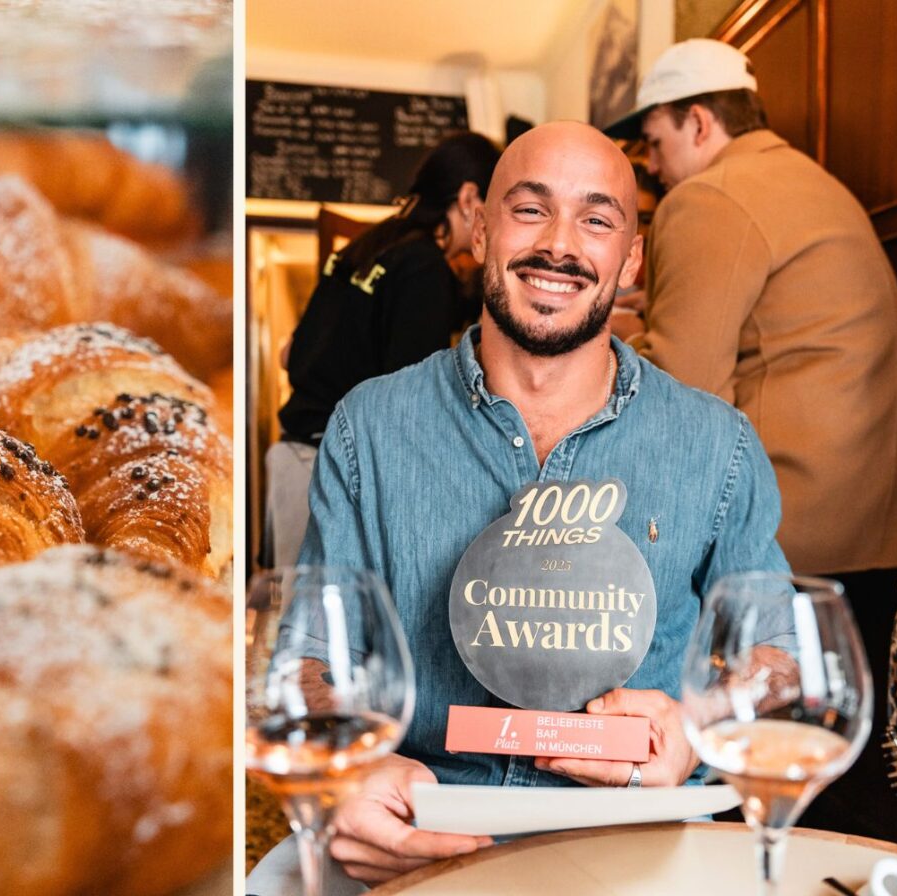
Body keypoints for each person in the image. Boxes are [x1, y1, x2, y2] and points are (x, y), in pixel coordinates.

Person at [296, 121, 790, 884]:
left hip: (644, 834)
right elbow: (308, 659)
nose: (560, 245)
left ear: (629, 261)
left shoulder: (717, 444)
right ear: (482, 229)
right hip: (429, 827)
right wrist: (338, 770)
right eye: (531, 209)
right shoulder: (370, 427)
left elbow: (779, 656)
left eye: (596, 219)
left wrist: (699, 726)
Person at [607, 38, 897, 840]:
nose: (655, 167)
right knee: (845, 782)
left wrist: (591, 344)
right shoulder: (813, 181)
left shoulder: (709, 199)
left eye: (658, 143)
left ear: (700, 123)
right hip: (871, 517)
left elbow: (683, 389)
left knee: (768, 768)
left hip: (794, 514)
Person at [263, 132, 501, 570]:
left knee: (297, 627)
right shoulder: (424, 267)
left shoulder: (368, 246)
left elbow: (292, 354)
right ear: (470, 198)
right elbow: (412, 402)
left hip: (294, 458)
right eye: (499, 205)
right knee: (333, 630)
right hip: (337, 475)